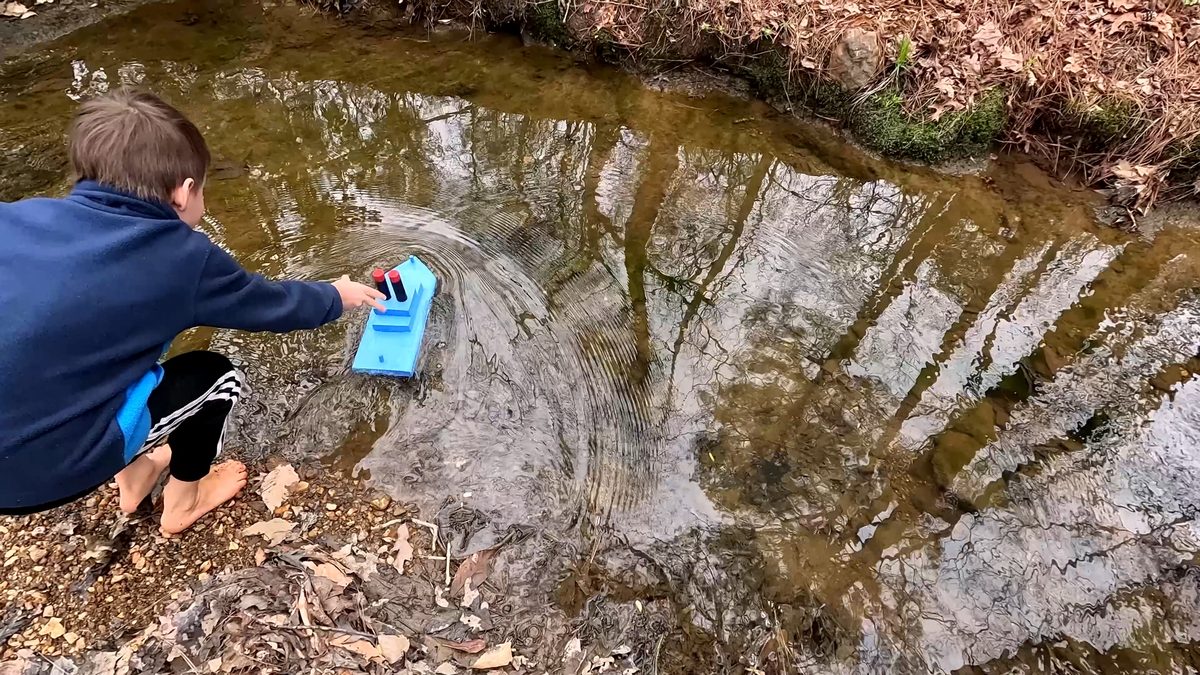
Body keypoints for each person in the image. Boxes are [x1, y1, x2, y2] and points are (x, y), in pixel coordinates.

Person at [0, 88, 386, 535]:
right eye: (203, 190)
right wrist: (336, 295)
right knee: (216, 376)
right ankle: (185, 499)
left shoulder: (15, 218)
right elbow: (271, 305)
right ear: (183, 193)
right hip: (35, 473)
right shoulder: (181, 258)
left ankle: (138, 474)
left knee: (110, 347)